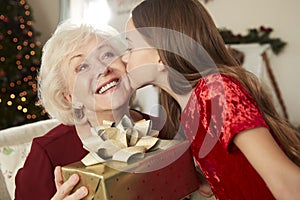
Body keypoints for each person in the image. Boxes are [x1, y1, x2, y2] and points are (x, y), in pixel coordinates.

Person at [121, 0, 300, 199]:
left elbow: (286, 183)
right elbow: (219, 183)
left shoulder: (214, 94)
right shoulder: (188, 112)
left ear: (160, 54)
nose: (124, 58)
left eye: (129, 48)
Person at [14, 20, 148, 200]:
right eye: (82, 67)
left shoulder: (165, 127)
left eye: (107, 55)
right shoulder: (47, 154)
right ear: (68, 97)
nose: (103, 69)